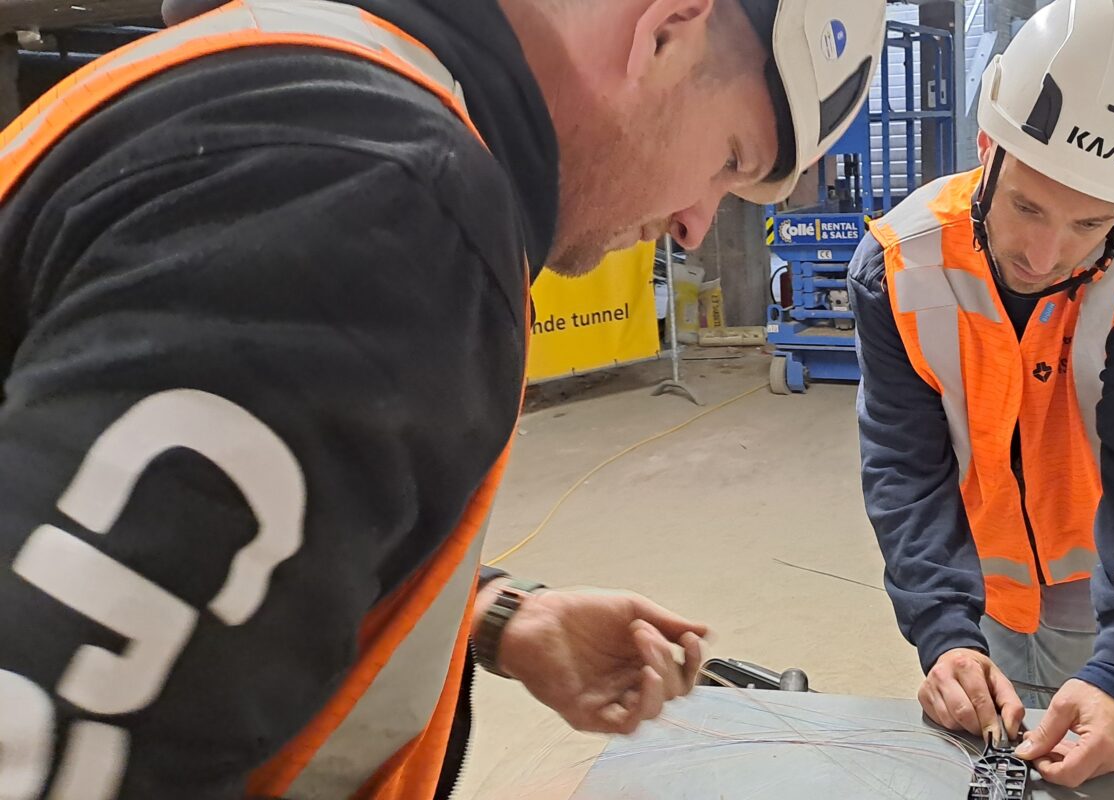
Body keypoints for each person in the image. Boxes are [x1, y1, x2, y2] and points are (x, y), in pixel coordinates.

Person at [0, 0, 884, 796]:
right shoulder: (375, 200)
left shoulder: (317, 85)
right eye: (730, 159)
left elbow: (196, 564)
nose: (696, 225)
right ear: (666, 31)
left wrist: (499, 615)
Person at [851, 0, 1114, 788]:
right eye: (1026, 207)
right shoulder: (900, 264)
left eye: (1089, 225)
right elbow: (904, 466)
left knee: (1108, 753)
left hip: (1104, 576)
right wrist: (944, 631)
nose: (1045, 255)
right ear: (988, 147)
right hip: (980, 579)